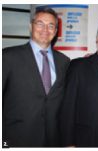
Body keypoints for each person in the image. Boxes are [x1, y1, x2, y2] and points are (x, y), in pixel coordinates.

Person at [2, 7, 70, 147]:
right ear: (30, 26)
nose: (45, 29)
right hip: (16, 139)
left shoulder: (64, 62)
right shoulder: (8, 57)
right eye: (40, 24)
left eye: (51, 25)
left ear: (56, 31)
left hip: (53, 140)